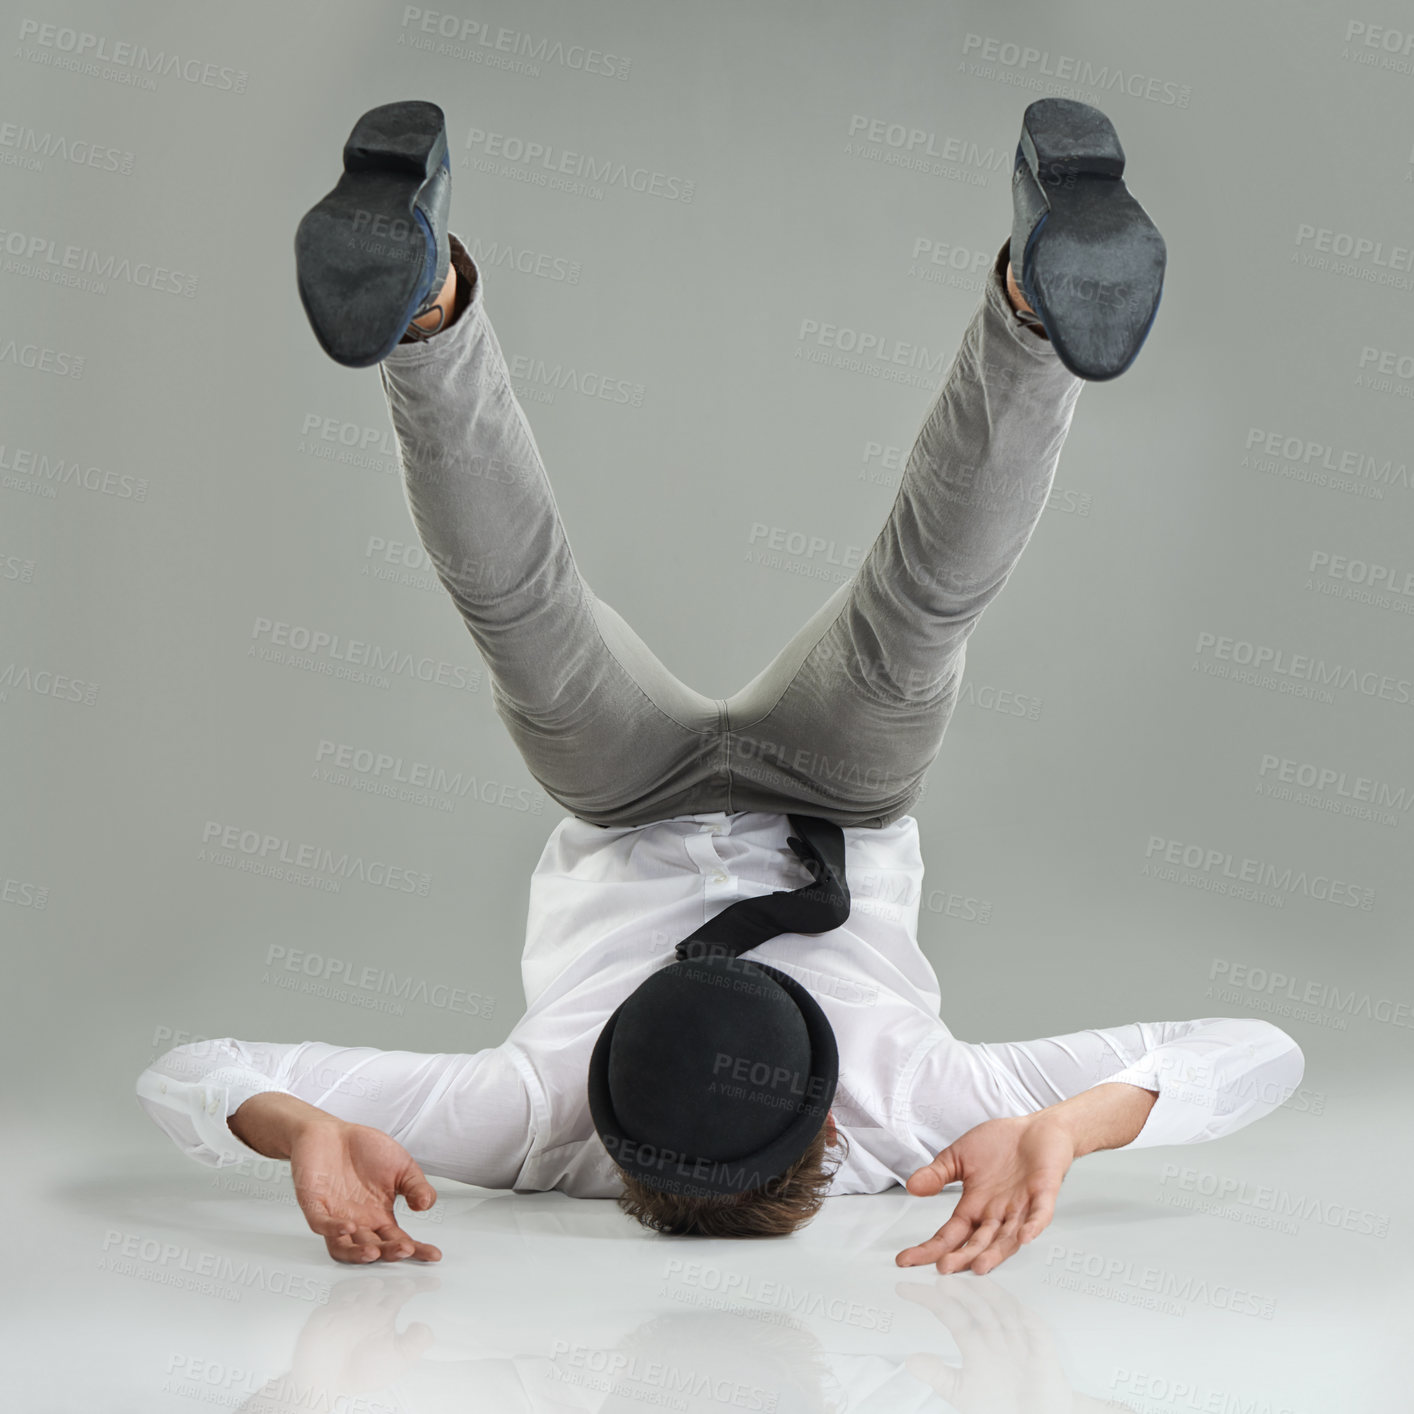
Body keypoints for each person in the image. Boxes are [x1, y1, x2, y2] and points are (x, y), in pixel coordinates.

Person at [137, 98, 1303, 1275]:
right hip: (837, 791)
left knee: (843, 614)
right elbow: (1256, 1049)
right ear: (833, 1114)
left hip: (628, 792)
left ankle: (1025, 320)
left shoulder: (538, 1118)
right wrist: (1061, 1129)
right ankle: (429, 319)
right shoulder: (922, 1109)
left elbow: (192, 1069)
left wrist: (305, 1130)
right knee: (621, 616)